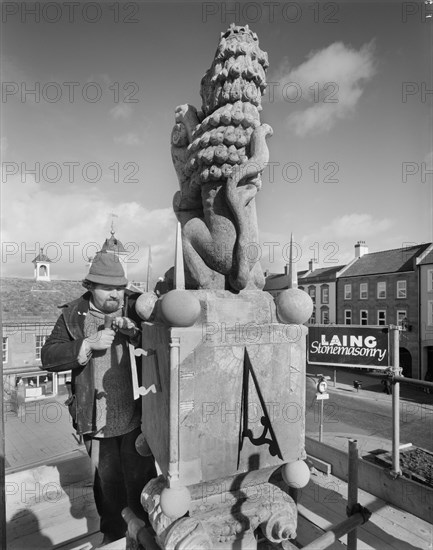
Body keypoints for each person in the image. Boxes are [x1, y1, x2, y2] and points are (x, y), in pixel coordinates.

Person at [41, 252, 157, 545]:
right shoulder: (72, 314)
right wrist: (86, 345)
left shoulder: (135, 306)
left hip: (135, 417)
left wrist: (138, 334)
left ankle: (143, 535)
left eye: (119, 288)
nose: (115, 295)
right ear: (90, 286)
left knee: (140, 480)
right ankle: (114, 536)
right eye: (107, 288)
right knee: (108, 485)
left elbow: (164, 342)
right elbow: (48, 356)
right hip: (97, 422)